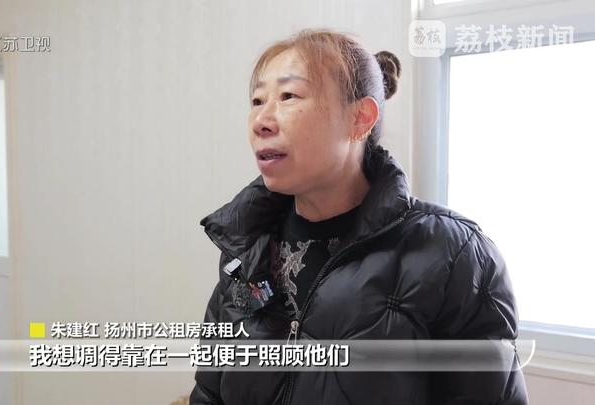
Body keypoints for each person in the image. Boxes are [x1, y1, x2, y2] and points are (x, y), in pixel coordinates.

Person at [189, 28, 528, 405]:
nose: (260, 121)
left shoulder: (454, 253)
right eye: (256, 100)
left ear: (360, 118)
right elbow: (209, 393)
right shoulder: (245, 244)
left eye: (288, 96)